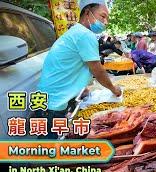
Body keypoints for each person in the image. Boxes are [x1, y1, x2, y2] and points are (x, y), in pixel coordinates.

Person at [36, 0, 121, 139]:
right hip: (53, 104)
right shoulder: (84, 35)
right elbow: (97, 70)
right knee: (49, 148)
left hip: (47, 99)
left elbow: (71, 67)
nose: (105, 22)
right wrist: (113, 89)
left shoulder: (76, 31)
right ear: (88, 13)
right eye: (103, 16)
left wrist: (80, 89)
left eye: (107, 19)